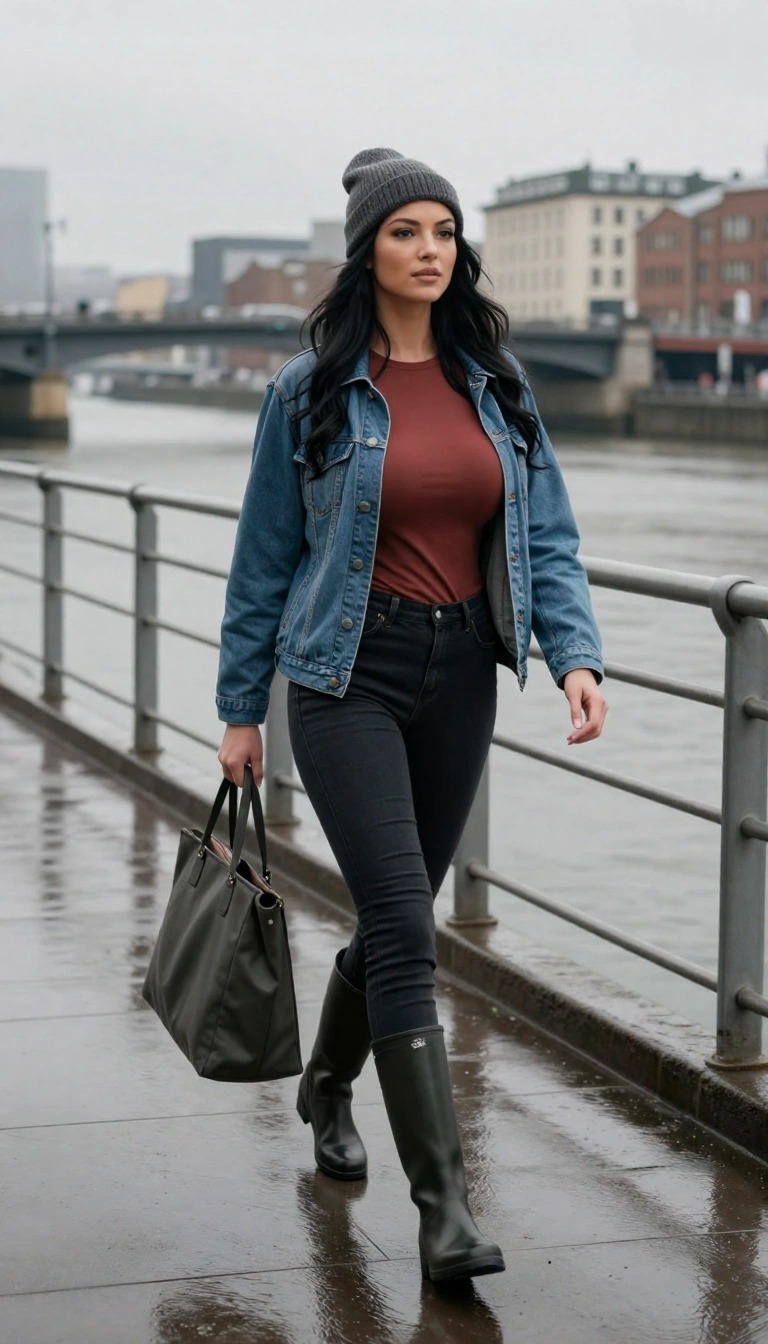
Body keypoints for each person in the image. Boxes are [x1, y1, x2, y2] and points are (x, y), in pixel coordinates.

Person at [217, 148, 607, 1282]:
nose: (430, 248)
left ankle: (329, 1084)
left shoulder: (500, 382)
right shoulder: (313, 391)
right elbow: (263, 563)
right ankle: (444, 1214)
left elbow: (547, 537)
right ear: (367, 250)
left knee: (398, 919)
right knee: (406, 927)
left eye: (443, 230)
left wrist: (574, 655)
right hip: (346, 678)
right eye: (407, 232)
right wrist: (242, 709)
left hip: (462, 675)